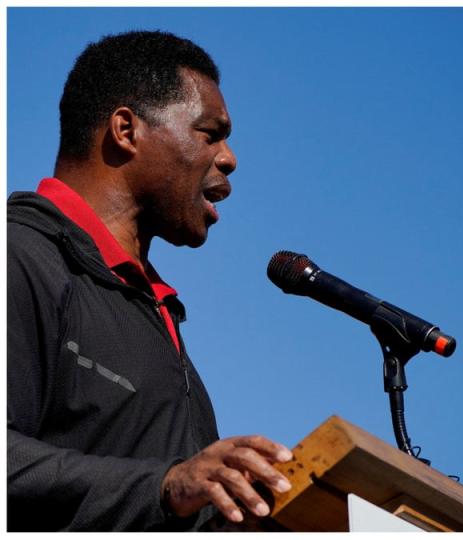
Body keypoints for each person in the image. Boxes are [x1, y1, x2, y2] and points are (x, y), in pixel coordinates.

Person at [8, 31, 293, 531]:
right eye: (211, 132)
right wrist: (164, 485)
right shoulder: (21, 256)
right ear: (126, 129)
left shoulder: (155, 313)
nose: (229, 158)